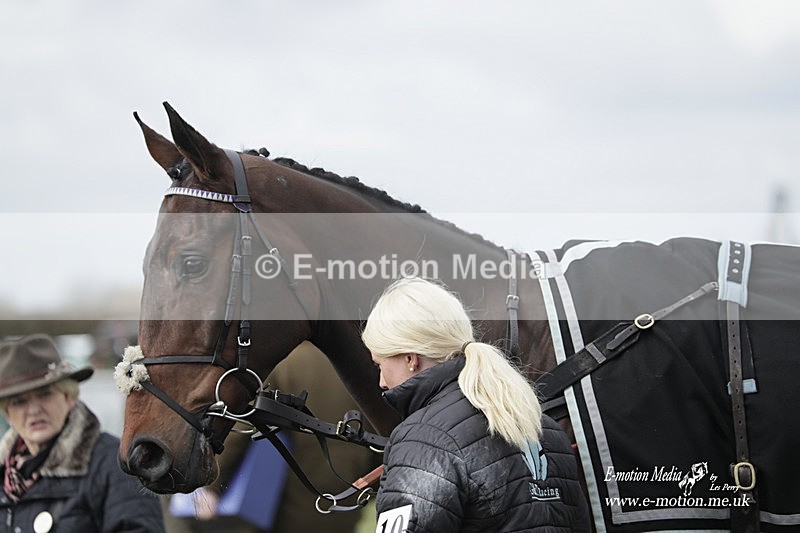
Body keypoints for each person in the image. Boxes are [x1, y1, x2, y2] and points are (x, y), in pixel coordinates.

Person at [362, 277, 591, 532]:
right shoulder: (546, 430)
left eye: (380, 365)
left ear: (410, 359)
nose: (381, 381)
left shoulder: (424, 438)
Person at [0, 334, 165, 533]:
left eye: (45, 395)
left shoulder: (117, 463)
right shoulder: (6, 474)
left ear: (69, 397)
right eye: (19, 402)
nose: (34, 410)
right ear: (7, 414)